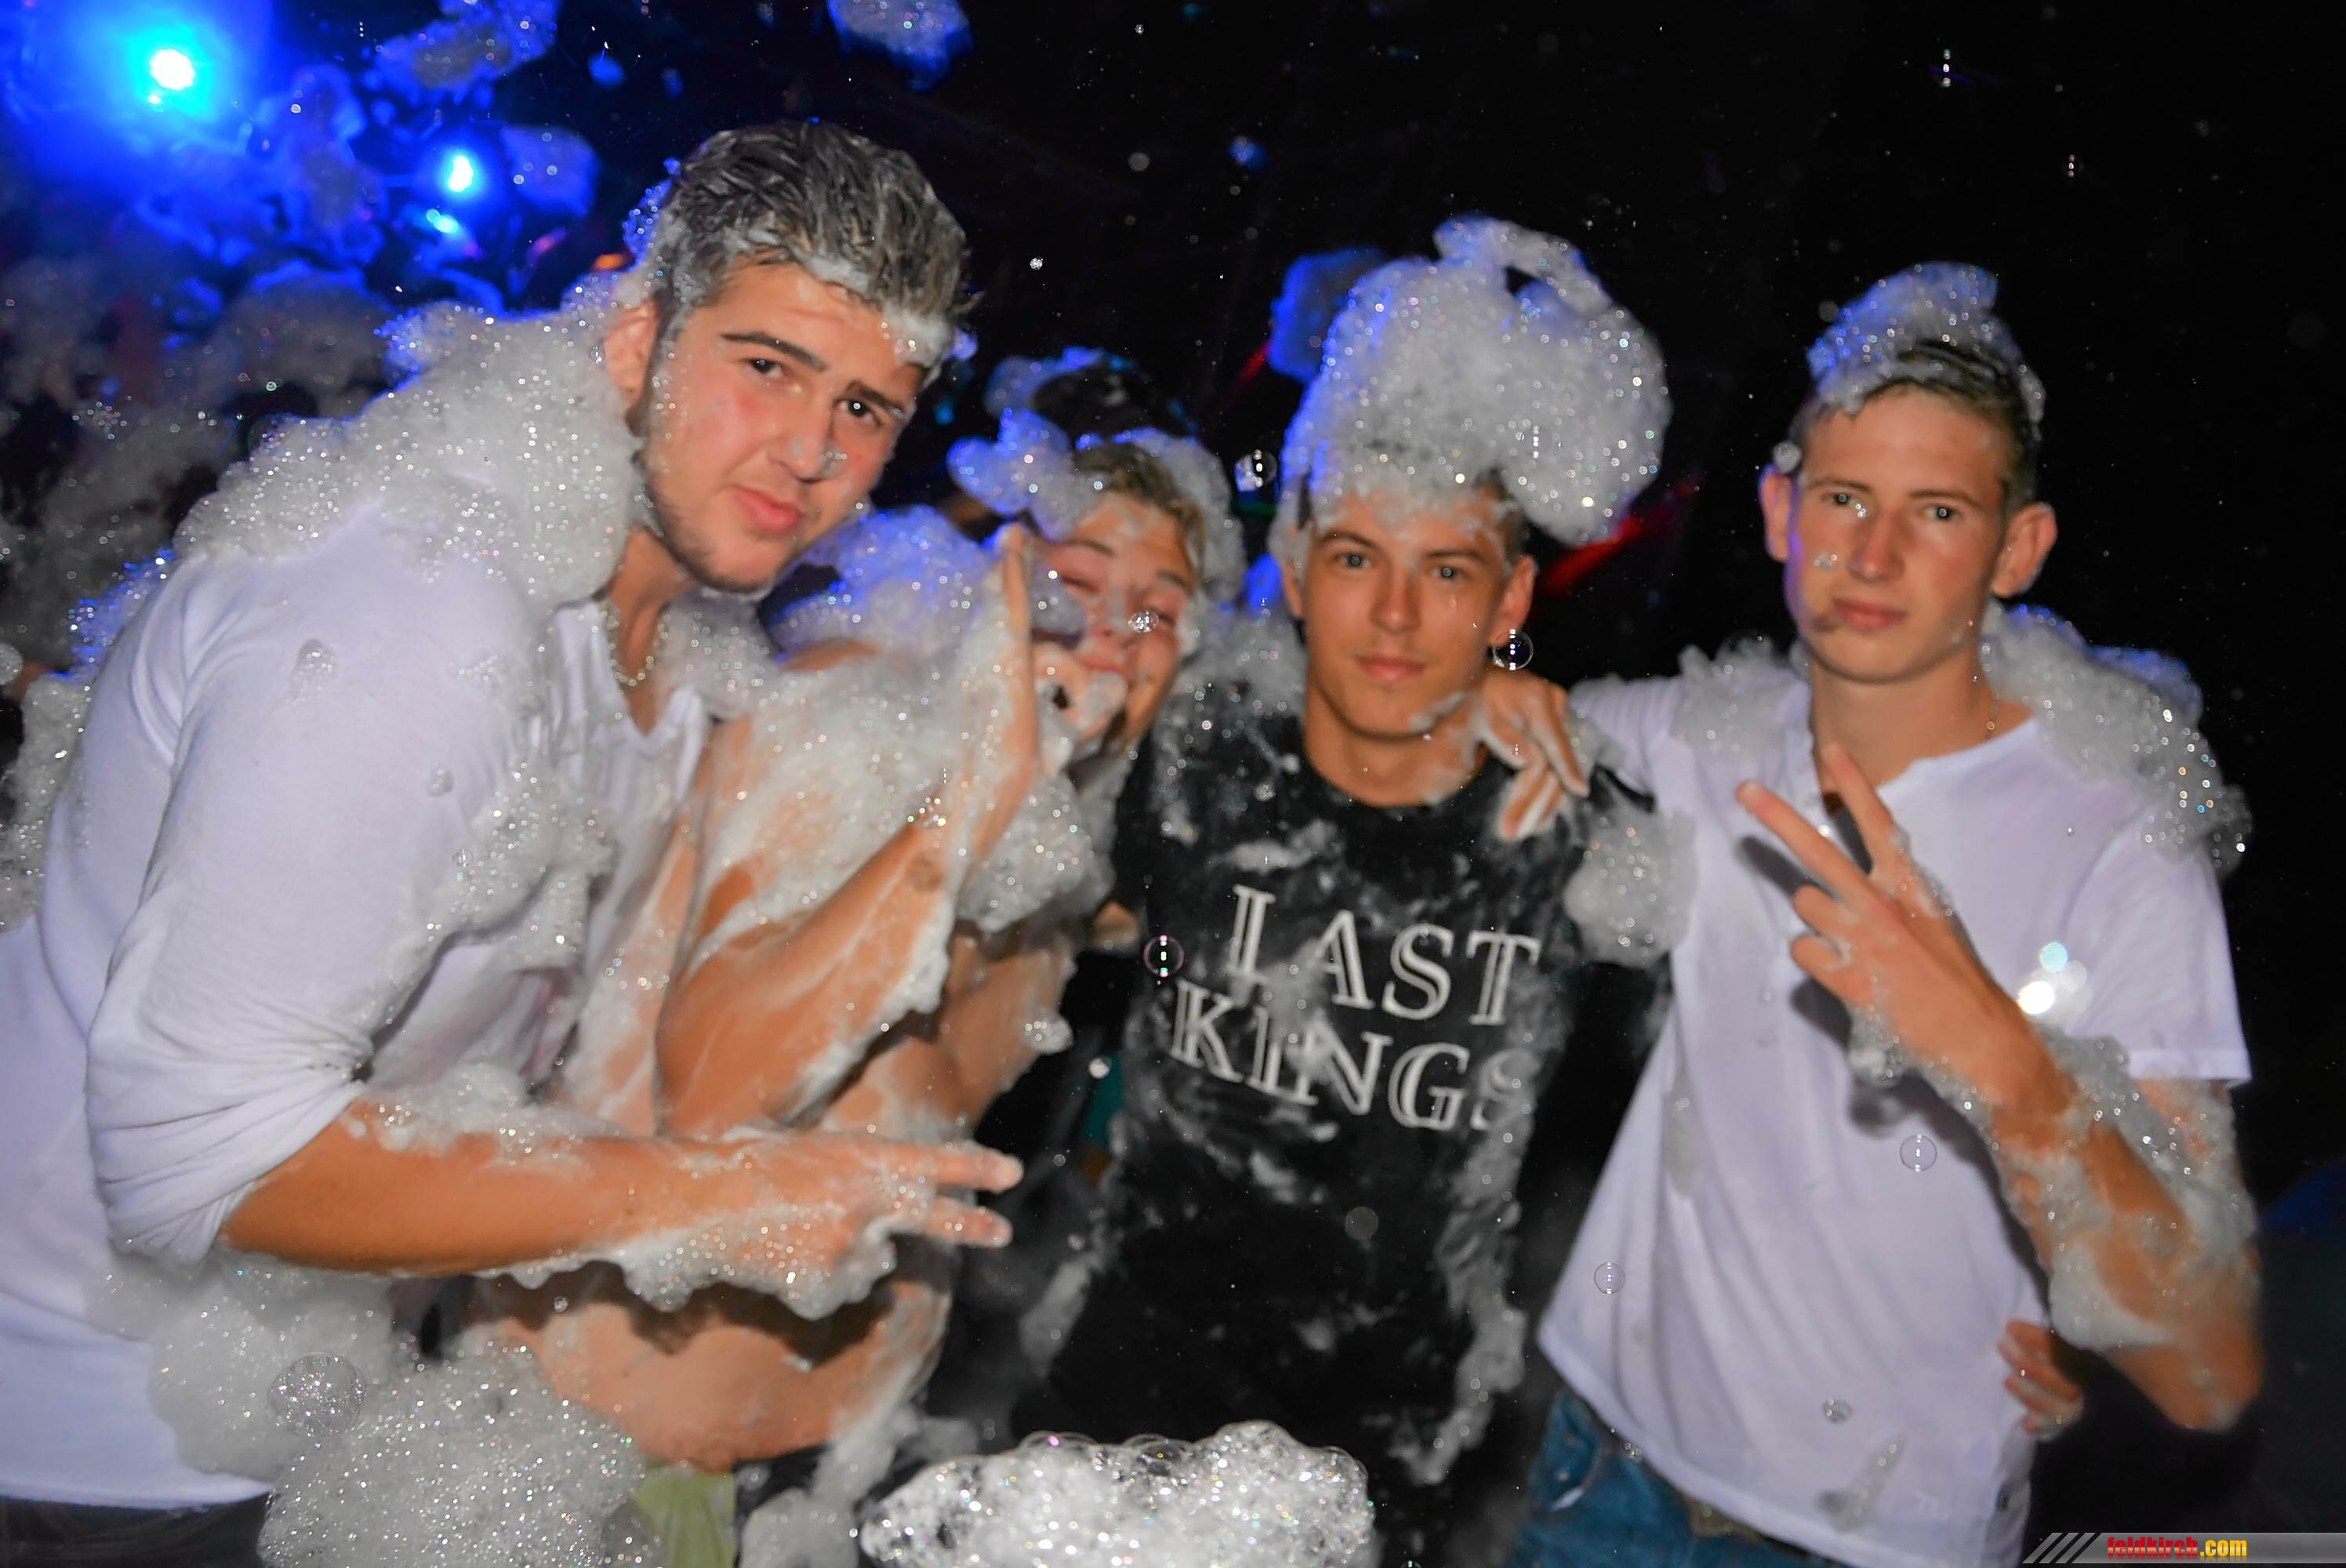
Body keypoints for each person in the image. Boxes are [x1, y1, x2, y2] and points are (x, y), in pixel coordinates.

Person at [0, 122, 1025, 1563]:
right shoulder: (414, 615)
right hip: (71, 1455)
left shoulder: (678, 652)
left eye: (864, 407)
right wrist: (714, 1199)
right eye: (766, 366)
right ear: (637, 337)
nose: (810, 453)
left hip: (282, 1411)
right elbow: (190, 1155)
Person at [1509, 264, 2261, 1568]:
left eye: (1940, 512)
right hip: (1602, 1467)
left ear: (2018, 549)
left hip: (1880, 1539)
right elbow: (1427, 729)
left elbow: (2209, 1367)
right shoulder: (1701, 732)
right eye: (1845, 498)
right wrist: (1498, 692)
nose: (1872, 555)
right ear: (1780, 511)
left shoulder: (2118, 845)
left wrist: (1997, 1058)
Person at [1016, 216, 1673, 1566]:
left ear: (1511, 601)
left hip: (1377, 1473)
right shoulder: (1188, 751)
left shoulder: (1580, 836)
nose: (1394, 616)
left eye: (1448, 571)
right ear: (1302, 564)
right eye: (1360, 557)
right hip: (1109, 1422)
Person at [478, 412, 1248, 1523]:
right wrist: (964, 810)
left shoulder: (1072, 844)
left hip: (845, 1468)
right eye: (1078, 582)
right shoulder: (855, 712)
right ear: (1001, 587)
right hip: (609, 1456)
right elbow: (719, 1098)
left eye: (1159, 613)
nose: (1114, 638)